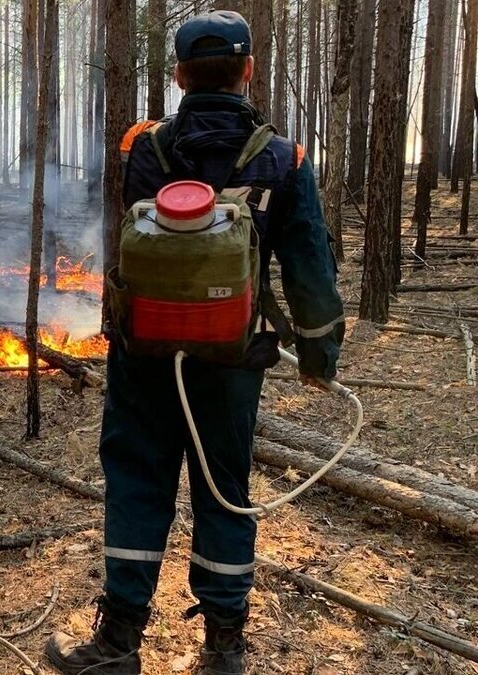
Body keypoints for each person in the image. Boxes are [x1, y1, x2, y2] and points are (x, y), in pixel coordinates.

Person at [44, 10, 345, 675]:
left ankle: (119, 641)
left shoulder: (139, 147)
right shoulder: (284, 159)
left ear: (178, 76)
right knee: (225, 491)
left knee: (136, 481)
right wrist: (321, 356)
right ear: (249, 70)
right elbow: (310, 272)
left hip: (144, 356)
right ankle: (224, 650)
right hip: (230, 361)